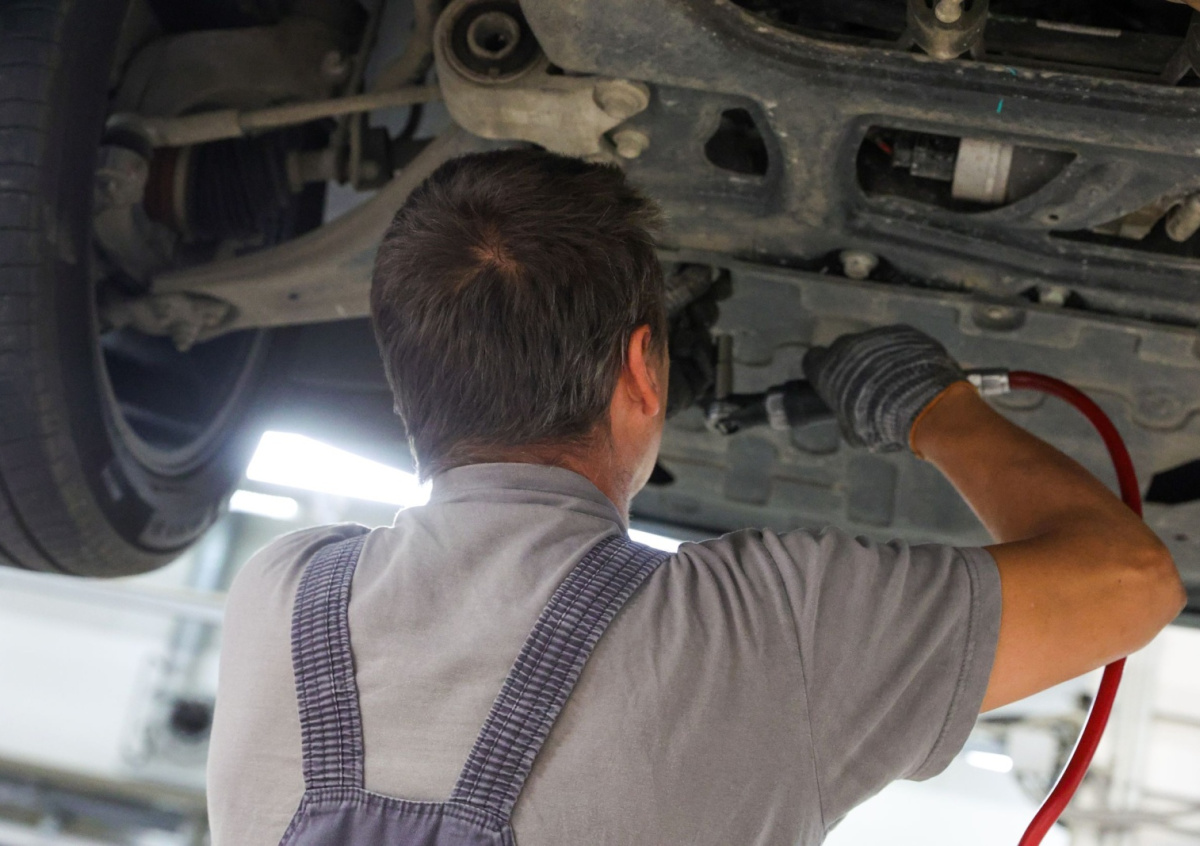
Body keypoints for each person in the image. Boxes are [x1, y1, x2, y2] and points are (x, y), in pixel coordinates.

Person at [206, 149, 1184, 845]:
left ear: (405, 392)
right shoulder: (767, 636)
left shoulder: (286, 598)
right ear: (643, 370)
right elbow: (1131, 583)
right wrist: (935, 410)